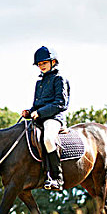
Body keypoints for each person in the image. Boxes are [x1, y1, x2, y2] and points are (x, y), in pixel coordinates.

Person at [22, 46, 70, 190]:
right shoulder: (39, 82)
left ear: (53, 62)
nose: (41, 66)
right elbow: (37, 104)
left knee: (48, 139)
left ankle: (57, 178)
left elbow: (60, 103)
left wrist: (40, 113)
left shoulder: (59, 79)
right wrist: (29, 112)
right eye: (39, 64)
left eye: (44, 63)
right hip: (40, 118)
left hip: (54, 118)